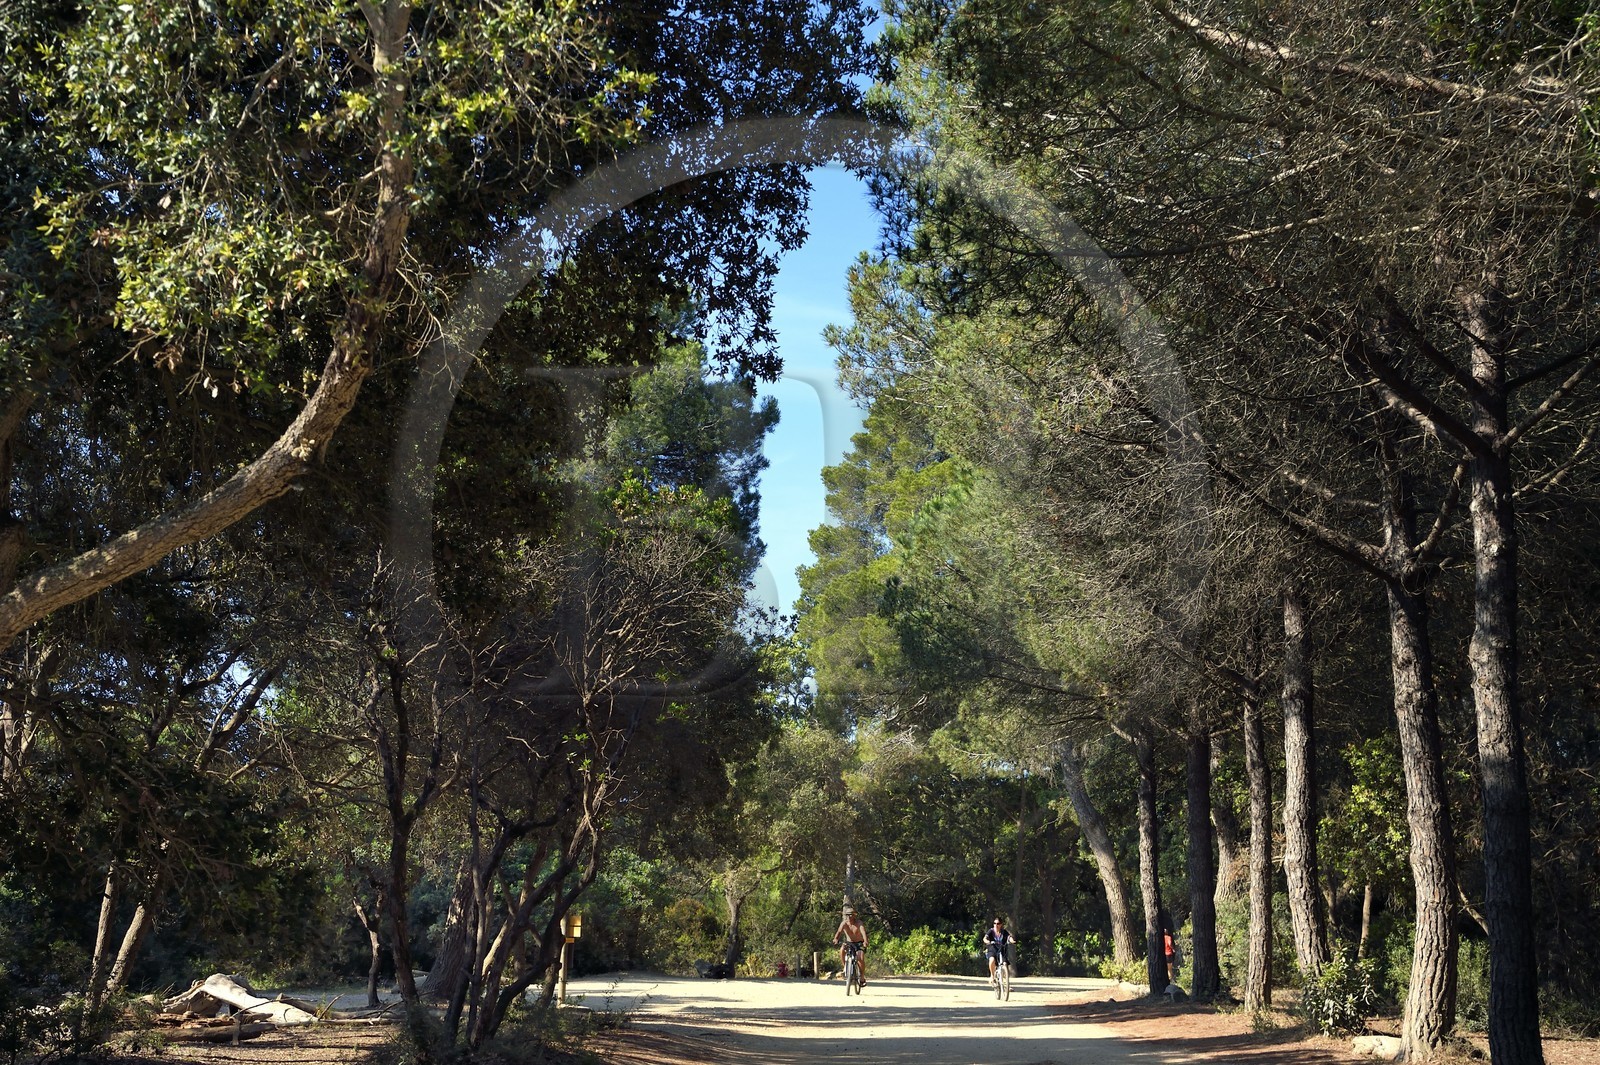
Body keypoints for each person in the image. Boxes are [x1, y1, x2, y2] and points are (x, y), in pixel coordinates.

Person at [834, 906, 868, 986]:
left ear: (854, 915)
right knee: (842, 949)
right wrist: (836, 938)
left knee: (860, 958)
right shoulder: (844, 923)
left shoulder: (859, 923)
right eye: (847, 915)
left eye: (850, 915)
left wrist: (865, 941)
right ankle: (845, 967)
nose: (849, 916)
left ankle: (862, 976)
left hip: (859, 943)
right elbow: (839, 931)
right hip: (849, 942)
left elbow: (863, 932)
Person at [982, 917, 1015, 983]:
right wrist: (987, 941)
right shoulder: (991, 931)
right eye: (994, 923)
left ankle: (1006, 984)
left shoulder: (1004, 932)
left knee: (1005, 964)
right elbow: (985, 938)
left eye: (998, 923)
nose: (996, 925)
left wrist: (1012, 941)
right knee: (992, 960)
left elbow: (1009, 937)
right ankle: (992, 976)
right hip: (992, 948)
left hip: (1001, 949)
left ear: (1001, 924)